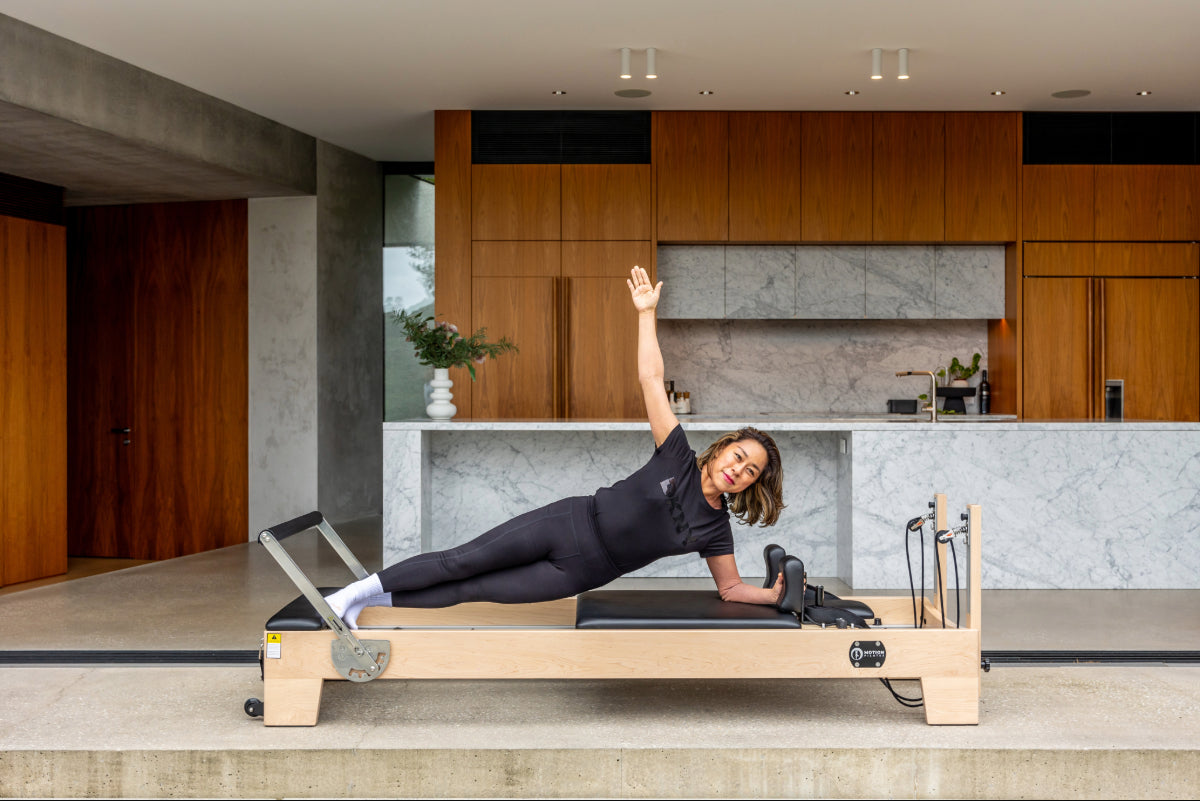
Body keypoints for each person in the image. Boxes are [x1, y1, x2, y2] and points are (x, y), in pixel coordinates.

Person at [325, 266, 786, 628]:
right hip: (567, 525)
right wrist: (646, 314)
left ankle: (362, 605)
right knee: (461, 561)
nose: (739, 470)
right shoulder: (678, 455)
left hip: (582, 573)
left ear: (750, 486)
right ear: (725, 448)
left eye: (750, 472)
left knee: (473, 589)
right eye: (739, 457)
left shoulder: (716, 529)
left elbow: (730, 589)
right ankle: (349, 594)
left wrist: (771, 595)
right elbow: (650, 378)